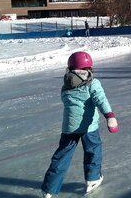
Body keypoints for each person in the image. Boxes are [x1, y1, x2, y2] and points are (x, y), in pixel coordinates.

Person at [41, 51, 119, 198]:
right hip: (89, 127)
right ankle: (92, 178)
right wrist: (110, 116)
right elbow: (101, 100)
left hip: (69, 128)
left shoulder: (66, 85)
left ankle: (49, 189)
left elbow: (67, 102)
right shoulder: (93, 83)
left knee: (61, 157)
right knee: (93, 151)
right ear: (89, 68)